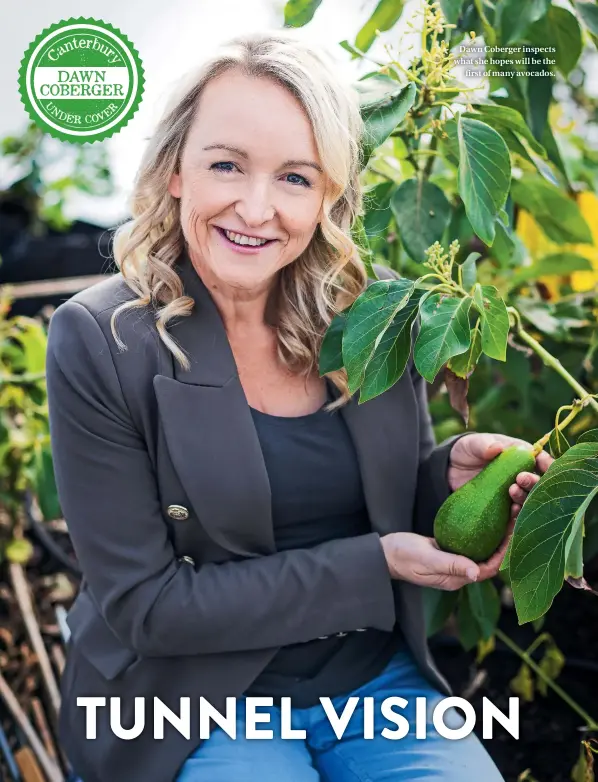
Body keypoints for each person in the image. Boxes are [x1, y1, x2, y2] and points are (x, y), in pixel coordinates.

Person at [45, 30, 552, 782]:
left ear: (328, 197)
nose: (257, 208)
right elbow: (150, 607)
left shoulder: (368, 310)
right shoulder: (102, 337)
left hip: (374, 683)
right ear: (175, 170)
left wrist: (443, 474)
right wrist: (371, 567)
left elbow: (378, 499)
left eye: (295, 178)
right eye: (226, 165)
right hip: (196, 697)